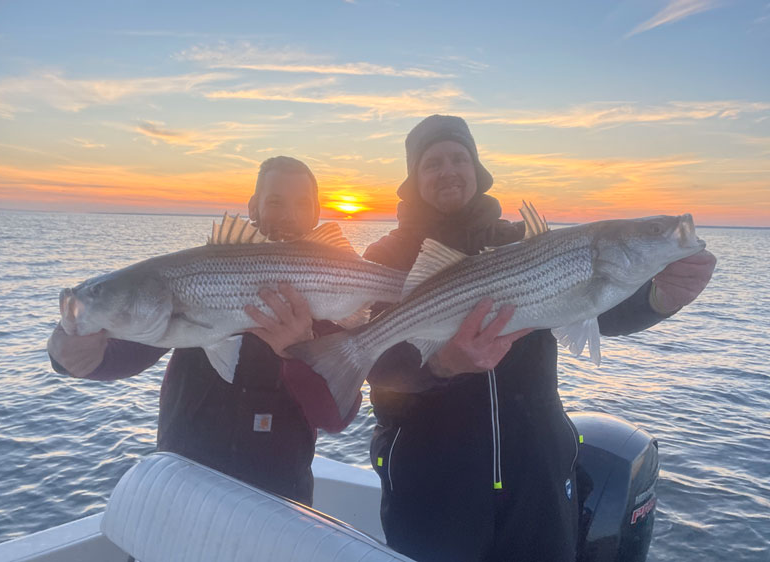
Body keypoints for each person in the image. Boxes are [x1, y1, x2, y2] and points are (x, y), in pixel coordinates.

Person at [363, 115, 716, 561]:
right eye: (432, 163)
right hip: (432, 481)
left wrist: (661, 300)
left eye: (459, 158)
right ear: (413, 178)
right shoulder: (386, 257)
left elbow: (597, 308)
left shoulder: (523, 241)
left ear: (477, 169)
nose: (448, 170)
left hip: (538, 476)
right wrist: (443, 365)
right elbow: (378, 370)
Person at [47, 156, 361, 506]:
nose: (288, 215)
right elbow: (127, 352)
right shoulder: (198, 272)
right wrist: (70, 355)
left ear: (317, 214)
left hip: (277, 498)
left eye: (302, 204)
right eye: (275, 202)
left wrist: (298, 351)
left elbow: (336, 416)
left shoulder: (335, 301)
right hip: (183, 481)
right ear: (253, 208)